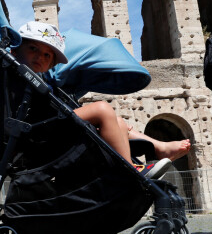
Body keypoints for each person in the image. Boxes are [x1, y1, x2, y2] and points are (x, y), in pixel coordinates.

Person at [12, 21, 173, 179]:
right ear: (15, 50)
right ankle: (130, 171)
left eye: (47, 55)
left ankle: (132, 164)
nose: (40, 56)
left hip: (50, 126)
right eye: (33, 48)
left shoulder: (41, 80)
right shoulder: (16, 75)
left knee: (119, 123)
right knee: (102, 109)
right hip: (37, 131)